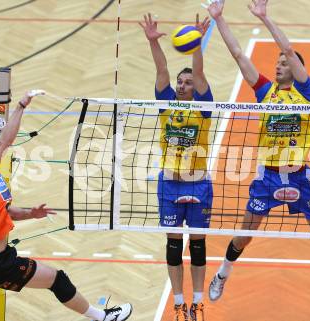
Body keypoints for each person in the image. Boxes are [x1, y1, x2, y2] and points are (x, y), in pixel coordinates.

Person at [206, 0, 310, 302]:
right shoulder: (264, 91)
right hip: (267, 179)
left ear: (296, 69)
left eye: (285, 62)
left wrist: (265, 18)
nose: (279, 64)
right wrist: (219, 19)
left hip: (298, 179)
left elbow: (288, 47)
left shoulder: (305, 92)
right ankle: (221, 275)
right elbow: (238, 55)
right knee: (244, 236)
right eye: (278, 62)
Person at [0, 92, 133, 321]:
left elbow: (5, 212)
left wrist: (31, 214)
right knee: (57, 279)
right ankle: (102, 317)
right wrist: (21, 105)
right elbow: (4, 141)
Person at [139, 13, 213, 321]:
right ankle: (179, 303)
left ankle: (198, 302)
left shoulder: (204, 107)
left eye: (187, 82)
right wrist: (153, 42)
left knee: (197, 245)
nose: (182, 85)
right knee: (172, 245)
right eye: (180, 83)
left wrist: (196, 44)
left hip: (198, 183)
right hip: (169, 184)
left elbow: (199, 72)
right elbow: (161, 70)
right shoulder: (166, 103)